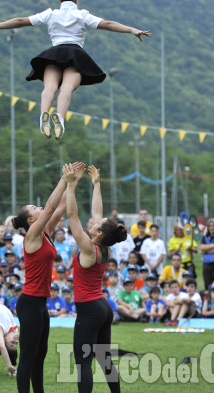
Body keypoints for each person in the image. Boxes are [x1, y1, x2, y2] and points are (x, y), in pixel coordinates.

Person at [0, 0, 151, 141]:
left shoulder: (50, 14)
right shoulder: (82, 15)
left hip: (54, 54)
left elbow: (21, 20)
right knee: (66, 87)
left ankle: (44, 114)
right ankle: (59, 117)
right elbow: (108, 24)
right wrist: (131, 30)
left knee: (50, 87)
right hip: (76, 55)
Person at [10, 161, 82, 393]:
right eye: (34, 207)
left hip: (41, 303)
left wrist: (73, 183)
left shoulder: (45, 233)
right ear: (31, 219)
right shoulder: (32, 234)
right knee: (28, 357)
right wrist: (63, 179)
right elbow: (50, 207)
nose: (39, 207)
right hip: (30, 303)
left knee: (41, 354)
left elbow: (59, 208)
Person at [63, 162, 125, 393]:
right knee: (104, 359)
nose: (93, 221)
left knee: (83, 362)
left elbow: (72, 216)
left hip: (90, 309)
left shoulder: (89, 248)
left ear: (99, 233)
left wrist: (70, 187)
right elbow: (97, 213)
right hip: (102, 307)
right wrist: (96, 185)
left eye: (96, 225)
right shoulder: (105, 246)